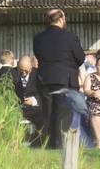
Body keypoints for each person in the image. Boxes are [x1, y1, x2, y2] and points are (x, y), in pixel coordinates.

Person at [33, 9, 86, 149]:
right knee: (62, 114)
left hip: (44, 79)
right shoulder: (70, 37)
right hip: (65, 80)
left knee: (48, 113)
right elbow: (80, 58)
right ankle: (60, 146)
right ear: (61, 19)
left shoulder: (38, 38)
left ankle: (48, 144)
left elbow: (38, 56)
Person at [13, 55, 43, 143]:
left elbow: (44, 94)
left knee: (43, 117)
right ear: (18, 65)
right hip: (17, 109)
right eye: (21, 70)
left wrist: (34, 101)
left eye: (26, 70)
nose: (24, 73)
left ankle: (38, 142)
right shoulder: (12, 73)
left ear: (31, 67)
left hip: (35, 109)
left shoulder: (38, 75)